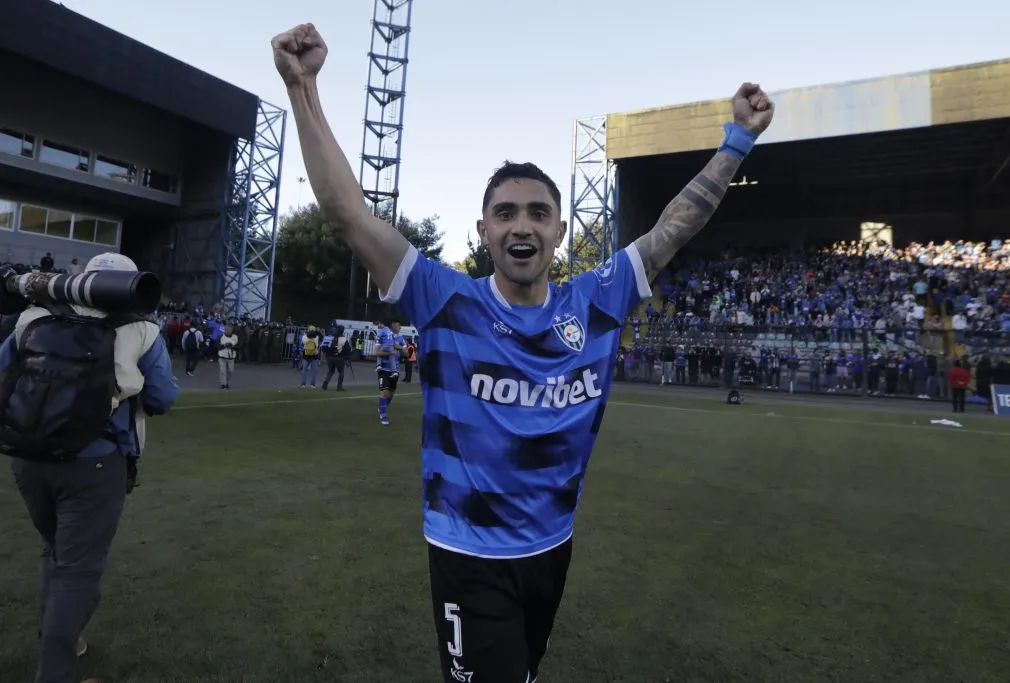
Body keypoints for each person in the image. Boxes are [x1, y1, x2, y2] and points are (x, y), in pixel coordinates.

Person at [273, 22, 774, 682]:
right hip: (467, 551)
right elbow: (349, 216)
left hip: (553, 547)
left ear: (559, 232)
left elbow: (674, 226)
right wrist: (303, 88)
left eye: (538, 212)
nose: (522, 225)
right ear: (483, 230)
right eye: (505, 212)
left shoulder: (598, 298)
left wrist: (737, 140)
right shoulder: (441, 296)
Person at [0, 252, 179, 683]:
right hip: (96, 463)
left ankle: (61, 636)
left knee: (56, 552)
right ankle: (56, 672)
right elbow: (162, 398)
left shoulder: (34, 315)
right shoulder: (141, 328)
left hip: (28, 458)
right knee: (78, 569)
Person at [374, 319, 406, 425]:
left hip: (395, 370)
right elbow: (377, 352)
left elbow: (406, 353)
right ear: (393, 325)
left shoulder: (401, 339)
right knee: (384, 392)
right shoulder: (382, 336)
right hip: (384, 369)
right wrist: (390, 351)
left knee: (391, 394)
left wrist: (400, 348)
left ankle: (382, 408)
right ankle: (383, 416)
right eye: (398, 325)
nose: (400, 327)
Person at [218, 323, 238, 389]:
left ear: (231, 330)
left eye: (228, 329)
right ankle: (223, 384)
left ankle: (228, 383)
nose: (226, 330)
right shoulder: (221, 336)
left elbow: (237, 345)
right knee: (222, 371)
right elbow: (216, 346)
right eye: (225, 329)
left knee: (230, 371)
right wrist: (223, 346)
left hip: (231, 357)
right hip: (222, 356)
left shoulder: (235, 337)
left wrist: (231, 346)